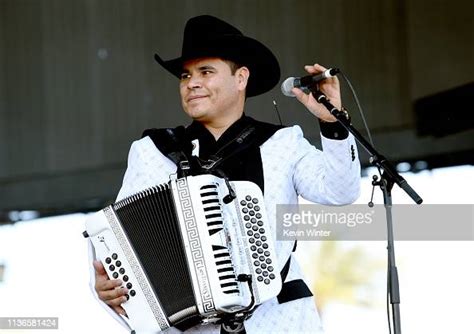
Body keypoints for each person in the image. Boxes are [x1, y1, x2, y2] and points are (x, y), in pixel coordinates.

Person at [88, 15, 360, 333]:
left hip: (278, 322)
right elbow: (119, 241)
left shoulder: (283, 144)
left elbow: (340, 192)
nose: (191, 83)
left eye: (206, 72)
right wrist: (107, 284)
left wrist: (332, 122)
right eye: (185, 75)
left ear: (241, 78)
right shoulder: (153, 151)